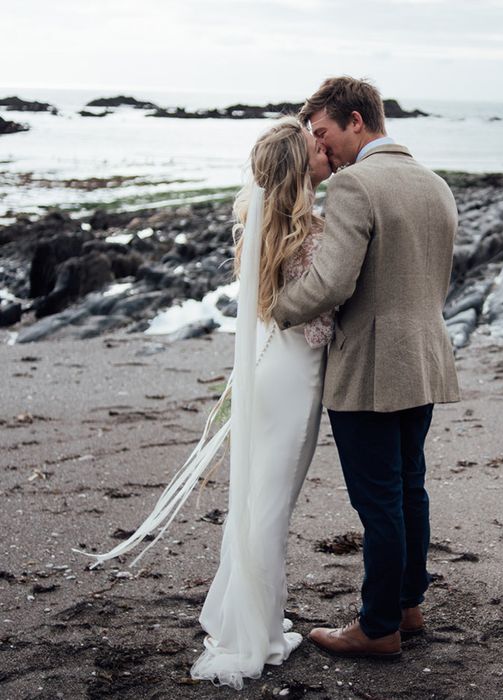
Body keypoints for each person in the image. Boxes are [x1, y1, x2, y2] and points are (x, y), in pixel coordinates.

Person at [75, 116, 333, 690]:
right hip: (292, 378)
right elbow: (317, 322)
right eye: (314, 146)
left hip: (266, 372)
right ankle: (253, 638)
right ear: (297, 165)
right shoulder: (312, 233)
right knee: (270, 507)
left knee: (258, 501)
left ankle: (256, 622)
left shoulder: (258, 224)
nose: (323, 149)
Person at [272, 76, 460, 659]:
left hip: (370, 367)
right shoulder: (436, 184)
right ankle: (408, 606)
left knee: (378, 500)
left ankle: (377, 627)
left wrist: (272, 309)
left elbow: (332, 282)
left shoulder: (355, 185)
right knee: (409, 488)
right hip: (425, 358)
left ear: (357, 121)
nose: (323, 150)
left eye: (325, 133)